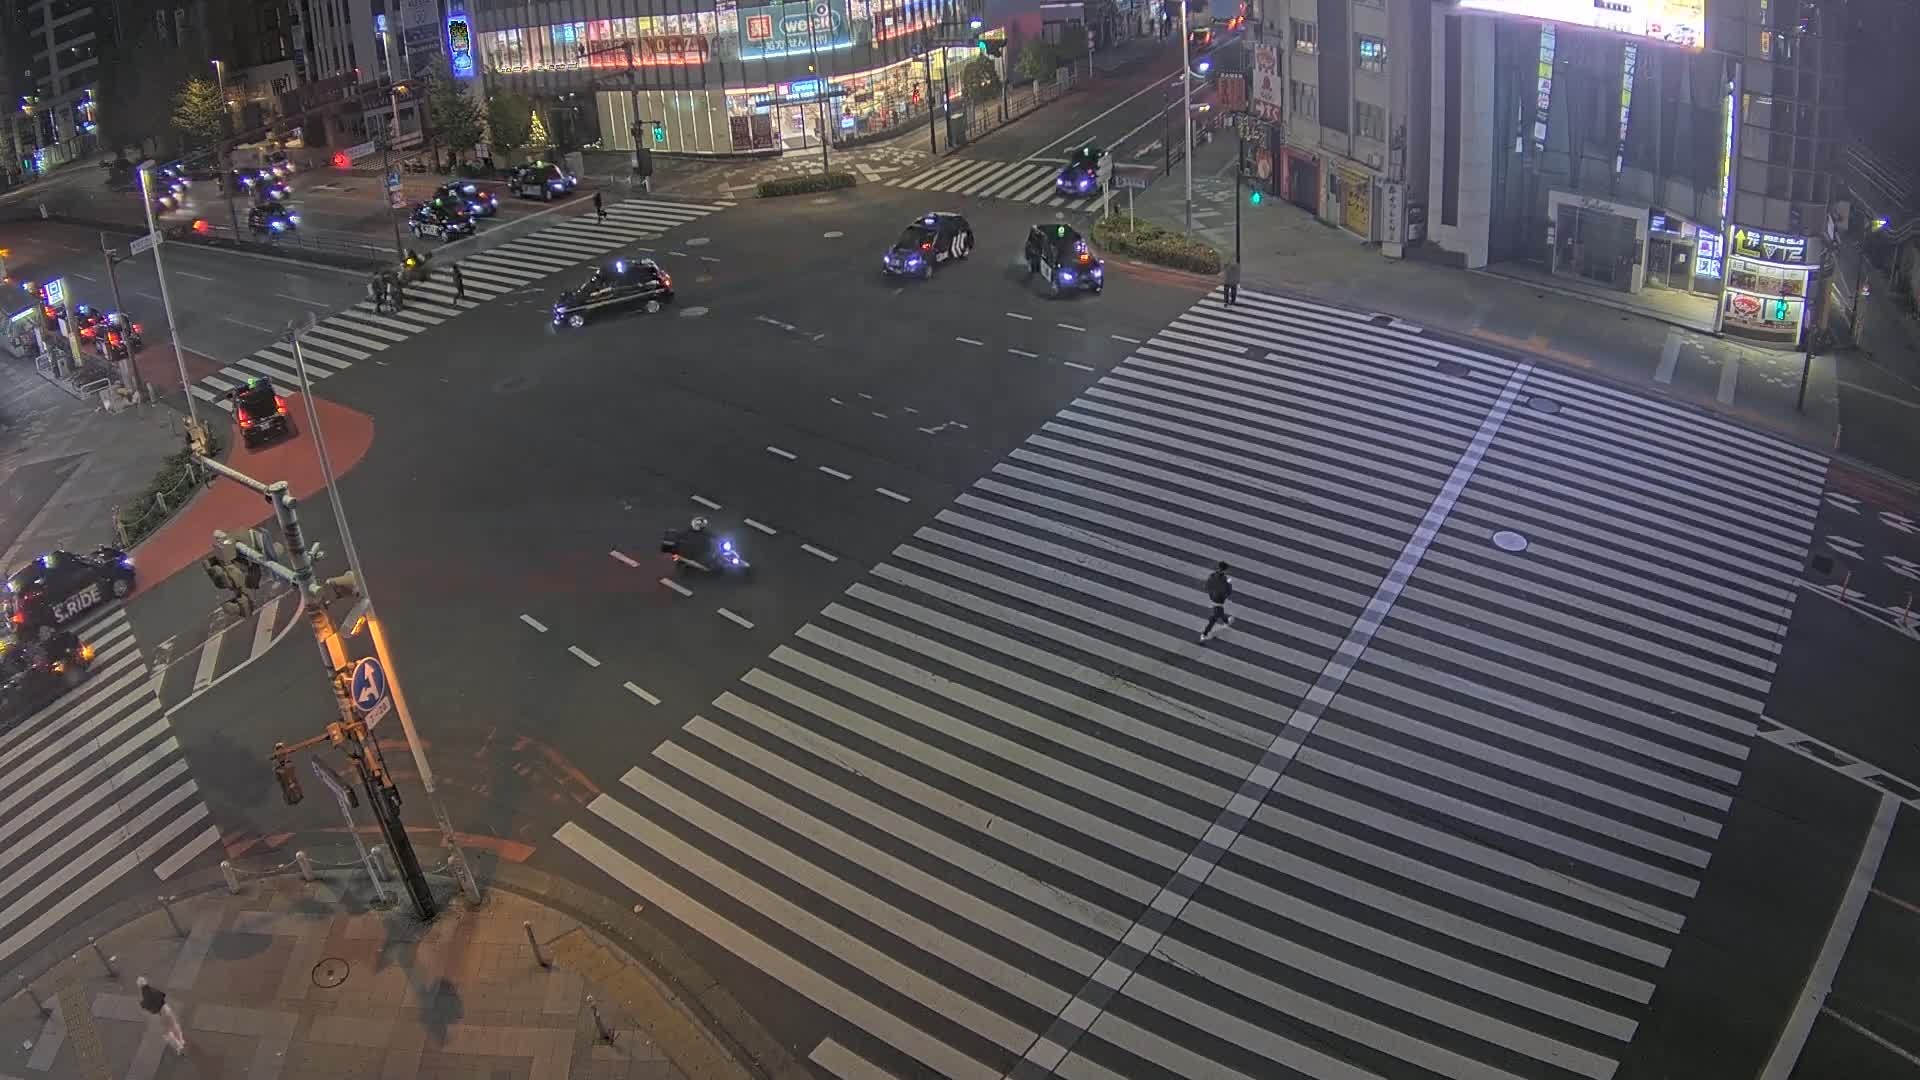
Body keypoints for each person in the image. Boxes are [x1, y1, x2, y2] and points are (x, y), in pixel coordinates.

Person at [137, 976, 187, 1055]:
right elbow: (162, 994)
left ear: (139, 986)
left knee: (166, 1033)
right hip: (167, 1008)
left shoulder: (145, 994)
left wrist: (143, 1004)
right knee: (174, 1024)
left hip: (162, 1013)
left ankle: (179, 1047)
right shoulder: (152, 989)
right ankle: (181, 1040)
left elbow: (147, 1005)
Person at [1200, 561, 1233, 642]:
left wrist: (1211, 593)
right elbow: (1228, 592)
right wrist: (1229, 583)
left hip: (1212, 597)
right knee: (1214, 618)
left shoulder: (1212, 575)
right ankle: (1204, 634)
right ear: (1225, 570)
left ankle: (1226, 621)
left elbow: (1206, 586)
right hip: (1219, 599)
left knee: (1219, 613)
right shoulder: (1224, 579)